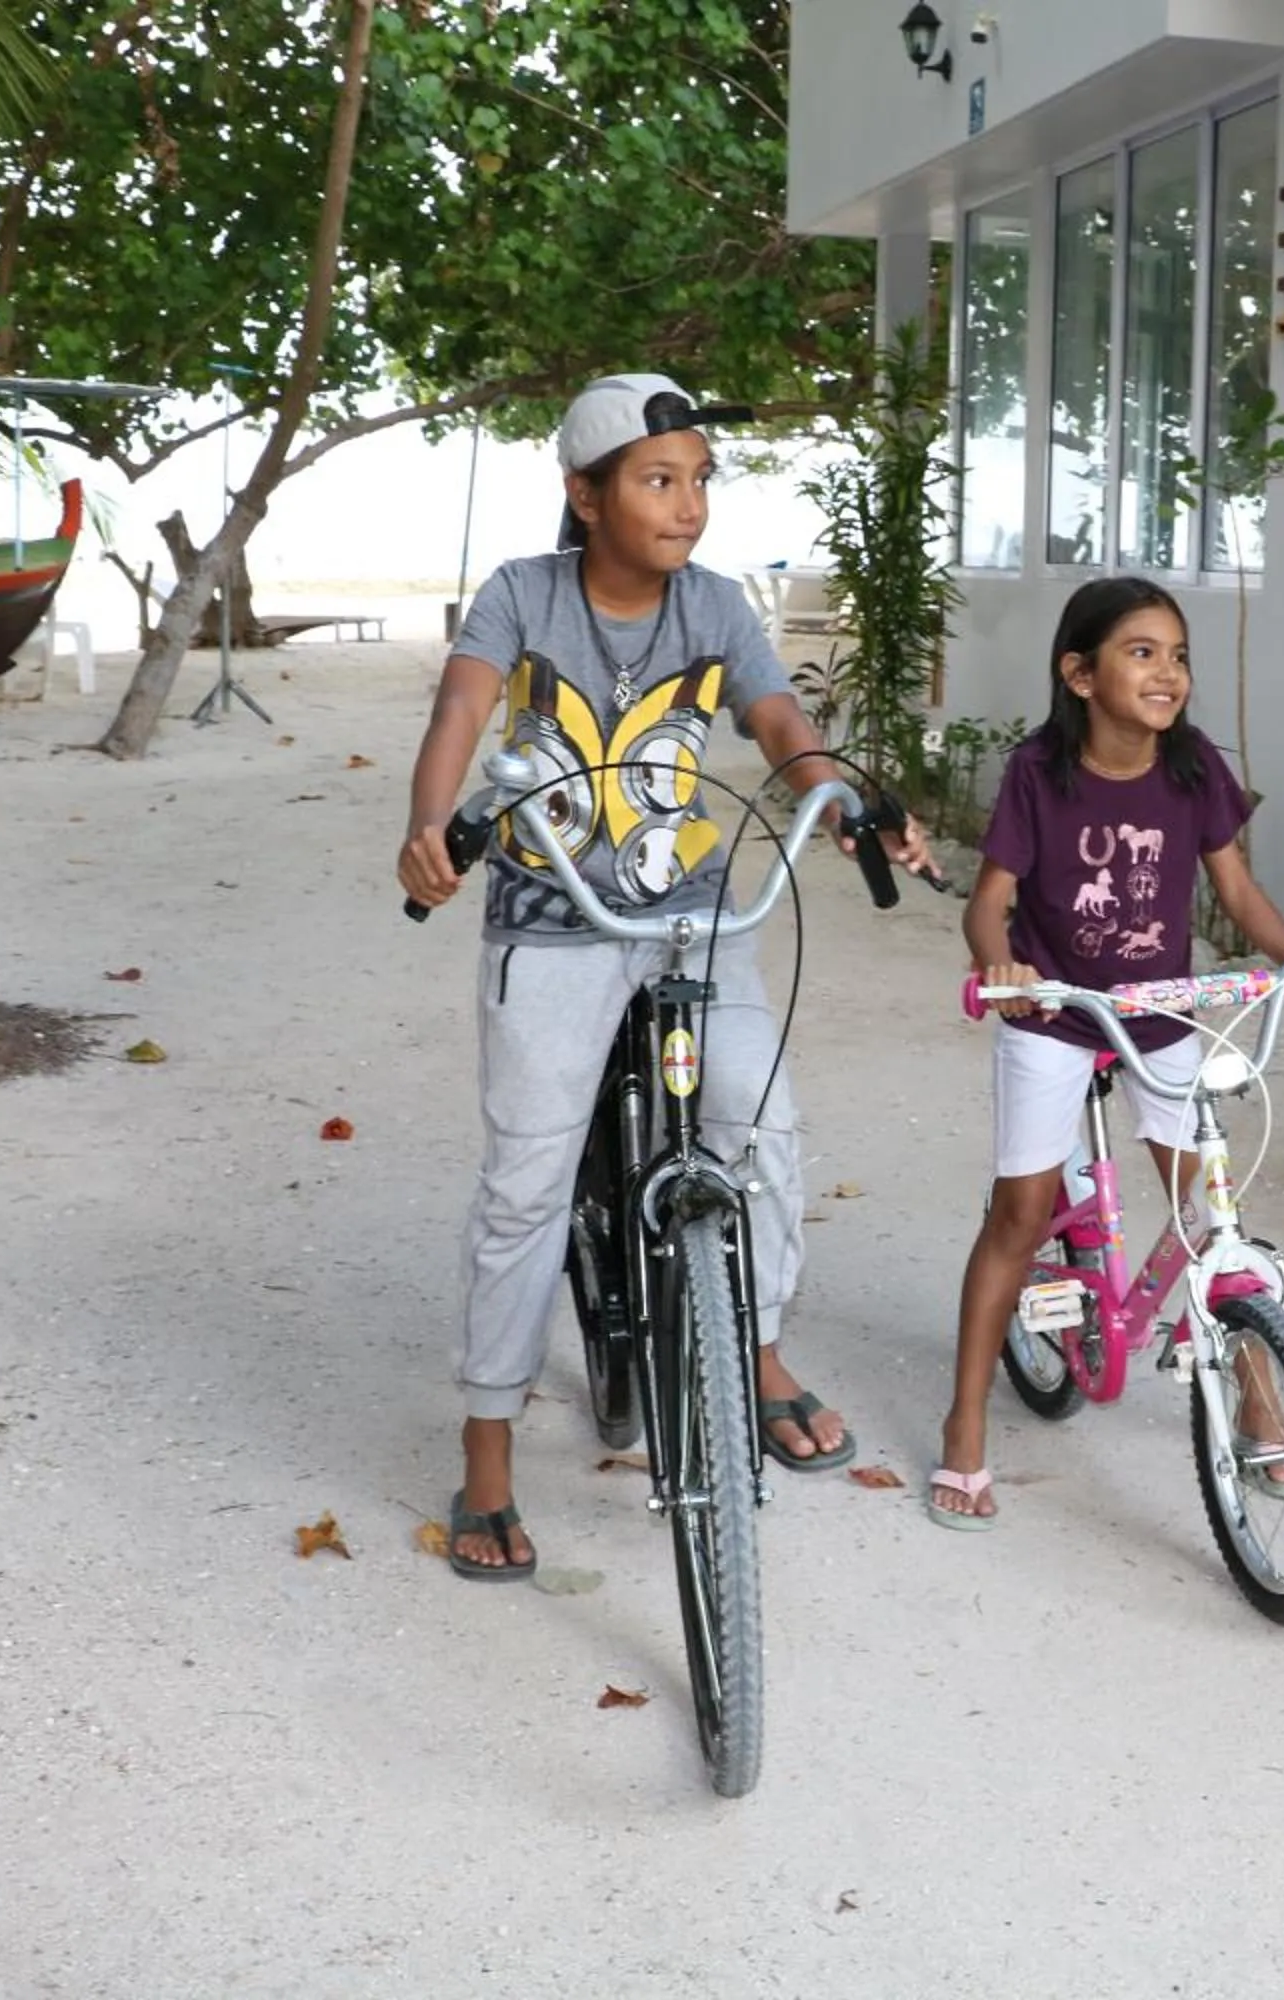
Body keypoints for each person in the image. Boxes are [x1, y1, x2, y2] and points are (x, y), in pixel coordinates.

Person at [398, 371, 931, 1581]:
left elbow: (781, 719)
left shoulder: (717, 604)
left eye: (698, 479)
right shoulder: (522, 594)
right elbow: (458, 713)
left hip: (695, 919)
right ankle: (488, 1447)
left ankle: (755, 1346)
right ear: (585, 496)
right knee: (527, 1186)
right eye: (656, 479)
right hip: (554, 918)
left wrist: (833, 795)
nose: (686, 504)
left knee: (760, 1124)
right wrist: (431, 826)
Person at [931, 577, 1284, 1529]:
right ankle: (963, 1425)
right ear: (1079, 673)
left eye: (1179, 655)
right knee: (1020, 1213)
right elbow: (988, 900)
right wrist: (1001, 967)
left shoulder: (1194, 770)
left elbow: (1235, 891)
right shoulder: (1041, 772)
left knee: (1208, 1210)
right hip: (1059, 1014)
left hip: (1160, 1016)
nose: (1167, 673)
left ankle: (1260, 1399)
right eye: (1141, 653)